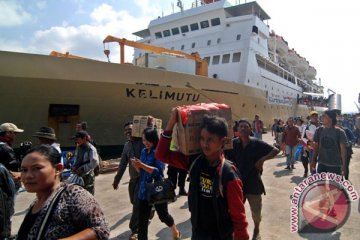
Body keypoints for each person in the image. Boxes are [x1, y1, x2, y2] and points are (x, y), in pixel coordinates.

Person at [156, 108, 249, 240]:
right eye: (202, 138)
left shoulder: (228, 174)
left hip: (221, 236)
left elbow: (239, 218)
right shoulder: (194, 163)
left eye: (210, 139)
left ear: (222, 141)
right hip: (198, 233)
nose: (205, 144)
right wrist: (171, 123)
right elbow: (161, 154)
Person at [17, 145, 109, 239]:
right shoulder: (36, 203)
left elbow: (101, 230)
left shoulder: (73, 195)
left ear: (58, 169)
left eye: (36, 168)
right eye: (24, 170)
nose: (28, 176)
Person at [225, 119, 279, 240]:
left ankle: (256, 229)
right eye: (241, 127)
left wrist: (262, 160)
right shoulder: (232, 144)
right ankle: (236, 231)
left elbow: (275, 150)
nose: (243, 129)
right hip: (238, 183)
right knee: (235, 211)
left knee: (256, 212)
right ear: (237, 130)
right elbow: (222, 154)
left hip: (254, 183)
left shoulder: (257, 143)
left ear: (250, 129)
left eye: (246, 126)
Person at [131, 128, 180, 240]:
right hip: (144, 190)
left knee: (163, 216)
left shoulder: (158, 153)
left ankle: (174, 229)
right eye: (143, 140)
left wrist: (142, 165)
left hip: (156, 189)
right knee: (142, 220)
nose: (145, 143)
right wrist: (137, 167)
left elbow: (158, 171)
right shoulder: (144, 152)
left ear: (153, 139)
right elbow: (142, 172)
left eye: (147, 140)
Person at [113, 121, 144, 239]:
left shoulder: (143, 142)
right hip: (133, 180)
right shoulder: (127, 146)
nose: (128, 132)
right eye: (126, 130)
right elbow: (122, 164)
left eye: (130, 129)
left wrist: (150, 126)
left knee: (136, 205)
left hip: (143, 178)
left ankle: (135, 230)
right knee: (133, 201)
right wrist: (117, 179)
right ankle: (150, 208)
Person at [0, 123, 23, 239]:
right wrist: (21, 155)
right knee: (8, 211)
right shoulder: (6, 148)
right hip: (6, 186)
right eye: (14, 133)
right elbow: (14, 169)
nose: (15, 136)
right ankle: (6, 235)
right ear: (7, 134)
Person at [311, 110, 348, 175]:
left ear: (330, 118)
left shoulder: (339, 132)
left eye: (324, 116)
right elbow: (316, 148)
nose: (321, 117)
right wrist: (313, 161)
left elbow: (343, 150)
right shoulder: (319, 130)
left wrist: (344, 166)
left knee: (334, 185)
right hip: (321, 165)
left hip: (335, 166)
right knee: (321, 184)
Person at [301, 111, 320, 177]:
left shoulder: (322, 125)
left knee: (321, 163)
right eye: (313, 116)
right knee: (312, 163)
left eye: (316, 116)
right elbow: (303, 137)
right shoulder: (307, 127)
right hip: (312, 148)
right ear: (310, 117)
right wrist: (309, 142)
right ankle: (313, 176)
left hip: (322, 149)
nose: (315, 117)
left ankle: (320, 176)